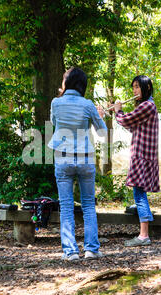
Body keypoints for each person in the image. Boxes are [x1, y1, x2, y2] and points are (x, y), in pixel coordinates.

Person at [48, 67, 107, 261]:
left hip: (63, 157)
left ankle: (71, 252)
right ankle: (91, 249)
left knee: (66, 206)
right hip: (85, 157)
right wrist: (100, 116)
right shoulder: (88, 104)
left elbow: (54, 123)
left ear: (67, 83)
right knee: (89, 205)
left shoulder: (56, 103)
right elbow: (102, 132)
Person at [108, 75, 159, 247]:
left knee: (139, 194)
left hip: (142, 156)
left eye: (137, 87)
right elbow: (131, 126)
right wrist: (118, 113)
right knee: (139, 193)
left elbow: (127, 120)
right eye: (134, 88)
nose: (135, 91)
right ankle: (144, 233)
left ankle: (144, 235)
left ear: (147, 88)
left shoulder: (147, 105)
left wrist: (118, 111)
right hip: (143, 155)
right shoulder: (147, 106)